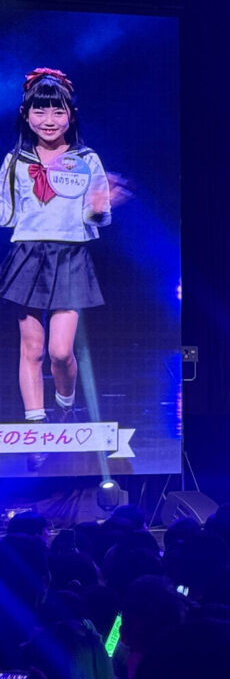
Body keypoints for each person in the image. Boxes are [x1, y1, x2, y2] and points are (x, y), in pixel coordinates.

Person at [0, 68, 111, 428]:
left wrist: (98, 205)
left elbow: (98, 217)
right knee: (31, 349)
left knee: (60, 351)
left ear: (71, 115)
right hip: (28, 255)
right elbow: (6, 215)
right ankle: (36, 426)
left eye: (58, 111)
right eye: (40, 110)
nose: (49, 120)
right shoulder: (16, 161)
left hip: (70, 255)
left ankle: (65, 405)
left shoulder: (86, 159)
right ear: (25, 114)